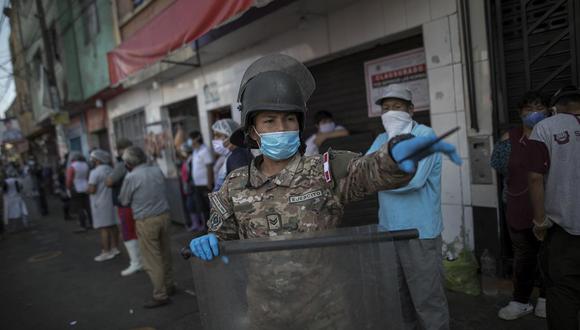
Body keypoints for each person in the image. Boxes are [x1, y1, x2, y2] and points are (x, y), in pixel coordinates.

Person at [188, 54, 461, 326]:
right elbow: (222, 238)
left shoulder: (325, 169)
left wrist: (395, 155)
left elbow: (368, 171)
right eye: (269, 121)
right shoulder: (235, 184)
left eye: (290, 120)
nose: (282, 128)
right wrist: (210, 241)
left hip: (325, 315)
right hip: (266, 317)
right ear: (253, 130)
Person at [366, 84, 448, 329]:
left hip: (420, 233)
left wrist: (376, 180)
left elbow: (413, 180)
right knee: (398, 299)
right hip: (388, 231)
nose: (391, 113)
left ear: (411, 110)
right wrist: (372, 179)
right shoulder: (381, 139)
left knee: (427, 300)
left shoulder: (425, 136)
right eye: (386, 108)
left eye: (397, 107)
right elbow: (364, 175)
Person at [490, 91, 548, 320]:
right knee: (524, 256)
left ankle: (546, 298)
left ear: (548, 110)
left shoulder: (553, 135)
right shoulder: (510, 138)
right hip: (517, 206)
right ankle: (521, 300)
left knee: (549, 254)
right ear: (520, 113)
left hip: (550, 206)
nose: (534, 113)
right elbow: (498, 164)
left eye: (539, 107)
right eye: (529, 109)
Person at [526, 86, 580, 330]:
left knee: (562, 291)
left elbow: (535, 177)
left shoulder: (546, 127)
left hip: (564, 229)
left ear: (555, 108)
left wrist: (540, 222)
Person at [119, 146, 175, 308]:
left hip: (146, 220)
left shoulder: (131, 177)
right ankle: (169, 285)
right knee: (165, 253)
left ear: (129, 162)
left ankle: (160, 294)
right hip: (164, 215)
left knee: (152, 258)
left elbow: (124, 200)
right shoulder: (156, 170)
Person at [106, 139, 143, 276]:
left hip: (126, 203)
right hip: (137, 202)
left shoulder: (123, 164)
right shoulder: (141, 163)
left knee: (129, 232)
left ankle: (136, 263)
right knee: (136, 231)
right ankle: (140, 261)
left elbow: (109, 181)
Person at [88, 149, 120, 262]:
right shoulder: (111, 169)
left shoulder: (94, 172)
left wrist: (86, 190)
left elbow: (92, 189)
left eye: (92, 159)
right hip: (111, 202)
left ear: (97, 160)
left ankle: (105, 252)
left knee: (104, 228)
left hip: (100, 204)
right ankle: (115, 248)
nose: (91, 161)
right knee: (113, 226)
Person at [210, 118, 253, 191]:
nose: (215, 138)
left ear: (229, 135)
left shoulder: (238, 157)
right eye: (214, 135)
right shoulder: (232, 154)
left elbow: (240, 189)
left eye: (218, 135)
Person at [188, 131, 214, 231]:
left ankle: (211, 227)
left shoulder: (204, 150)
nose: (189, 141)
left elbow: (209, 167)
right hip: (197, 185)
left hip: (205, 184)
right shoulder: (195, 151)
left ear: (196, 138)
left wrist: (209, 183)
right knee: (201, 207)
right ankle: (205, 226)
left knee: (208, 208)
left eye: (191, 138)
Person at [66, 152, 92, 232]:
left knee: (79, 208)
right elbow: (88, 176)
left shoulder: (72, 166)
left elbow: (69, 179)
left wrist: (68, 187)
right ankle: (92, 223)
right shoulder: (85, 165)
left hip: (76, 188)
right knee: (88, 207)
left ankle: (82, 225)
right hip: (86, 187)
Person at [3, 166, 28, 231]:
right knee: (21, 211)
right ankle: (24, 225)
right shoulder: (16, 180)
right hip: (17, 197)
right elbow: (20, 189)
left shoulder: (5, 182)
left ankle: (14, 228)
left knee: (12, 214)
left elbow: (4, 191)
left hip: (10, 199)